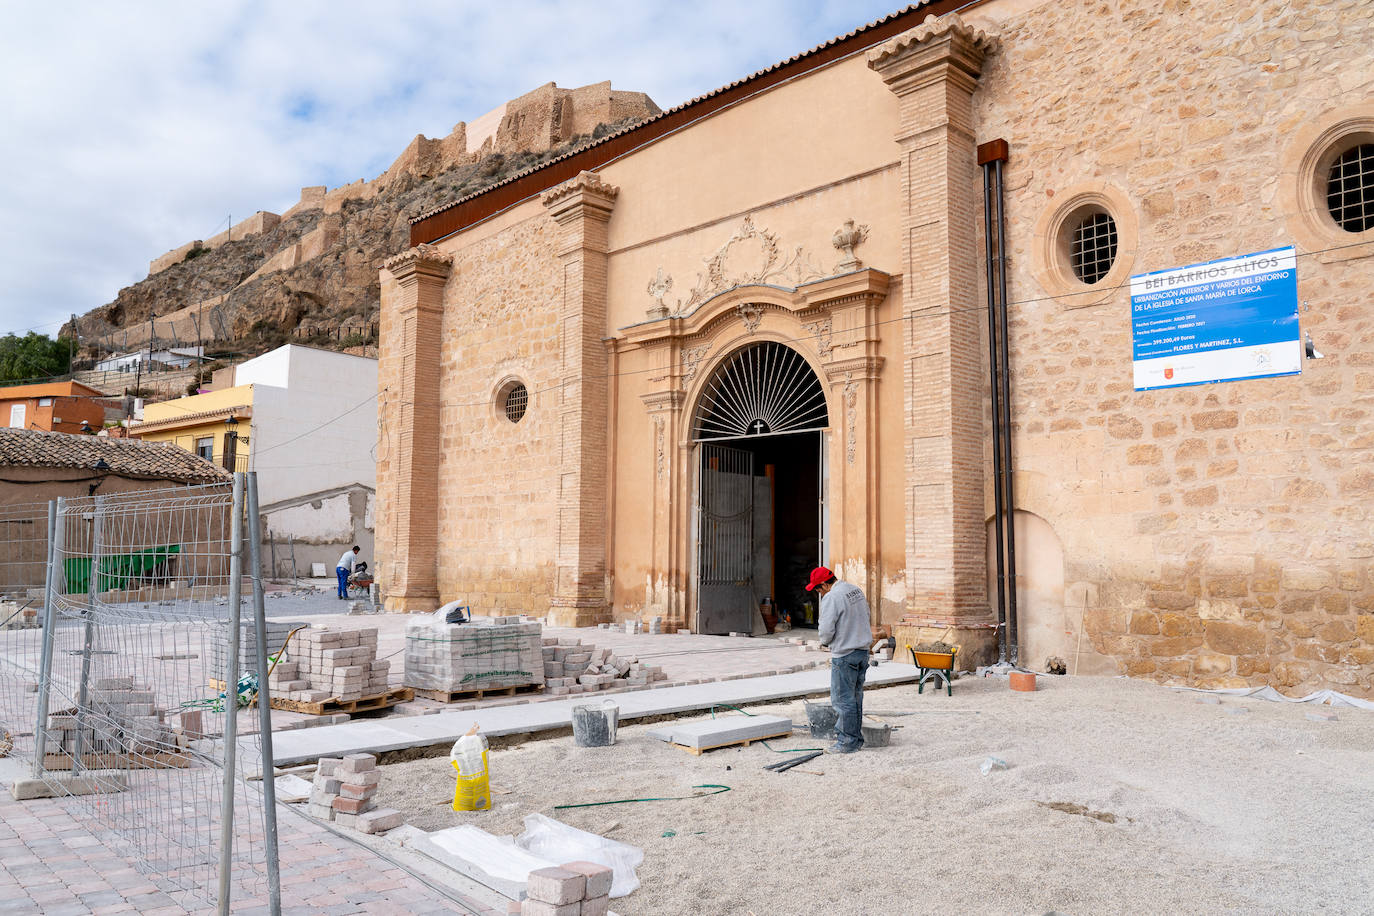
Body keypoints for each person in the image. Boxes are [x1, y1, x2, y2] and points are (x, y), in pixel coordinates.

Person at [806, 566, 872, 753]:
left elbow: (826, 631)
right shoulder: (855, 590)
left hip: (845, 654)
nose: (818, 593)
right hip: (862, 652)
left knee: (843, 701)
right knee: (856, 697)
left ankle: (847, 743)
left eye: (818, 589)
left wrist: (825, 642)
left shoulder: (832, 597)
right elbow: (866, 615)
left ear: (825, 584)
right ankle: (856, 739)